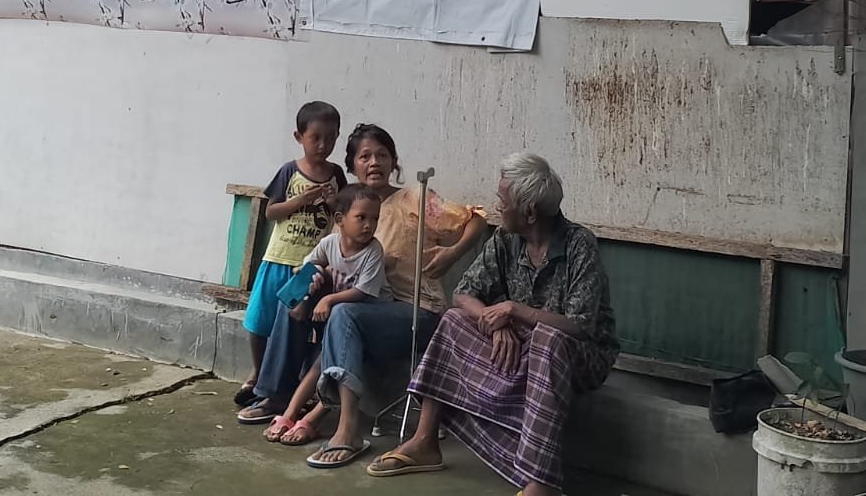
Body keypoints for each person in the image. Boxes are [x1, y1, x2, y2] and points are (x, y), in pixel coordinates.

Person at [367, 153, 618, 496]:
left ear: (530, 213)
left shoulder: (578, 244)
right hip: (521, 340)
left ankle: (540, 482)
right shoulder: (505, 239)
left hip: (578, 353)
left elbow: (579, 325)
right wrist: (497, 323)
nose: (498, 206)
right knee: (454, 320)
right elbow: (463, 294)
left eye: (503, 200)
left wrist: (513, 310)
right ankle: (425, 441)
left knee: (548, 340)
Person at [302, 123, 488, 470]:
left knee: (342, 313)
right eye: (365, 156)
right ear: (352, 166)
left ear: (393, 161)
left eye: (382, 155)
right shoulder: (352, 209)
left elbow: (476, 219)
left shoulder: (414, 199)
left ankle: (346, 429)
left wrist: (452, 254)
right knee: (328, 312)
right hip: (372, 310)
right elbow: (333, 260)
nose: (374, 162)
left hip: (418, 311)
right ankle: (308, 410)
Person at [235, 101, 348, 411]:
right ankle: (258, 373)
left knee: (294, 323)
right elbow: (271, 211)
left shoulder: (336, 174)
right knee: (260, 319)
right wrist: (301, 200)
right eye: (315, 138)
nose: (323, 145)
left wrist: (332, 201)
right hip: (279, 257)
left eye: (331, 138)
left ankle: (289, 382)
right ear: (299, 137)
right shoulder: (289, 170)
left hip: (311, 265)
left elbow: (343, 215)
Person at [265, 184, 390, 450]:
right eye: (362, 217)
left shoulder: (373, 251)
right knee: (319, 363)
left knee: (326, 363)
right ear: (340, 220)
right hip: (341, 319)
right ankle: (289, 413)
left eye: (375, 219)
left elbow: (362, 293)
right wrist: (311, 282)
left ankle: (311, 417)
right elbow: (308, 265)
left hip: (368, 318)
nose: (369, 225)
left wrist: (328, 299)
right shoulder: (330, 243)